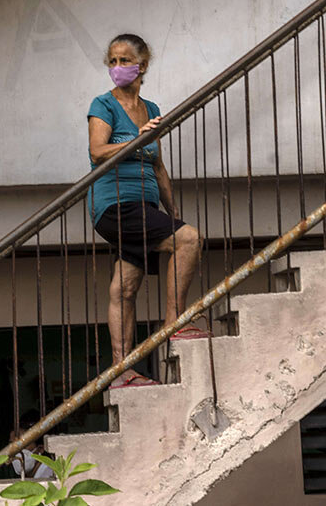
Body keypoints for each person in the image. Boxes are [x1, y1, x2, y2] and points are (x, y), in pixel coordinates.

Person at [86, 33, 205, 389]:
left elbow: (157, 165)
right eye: (112, 61)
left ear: (143, 65)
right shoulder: (103, 105)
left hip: (144, 204)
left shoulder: (151, 109)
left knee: (125, 286)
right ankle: (175, 324)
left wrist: (170, 207)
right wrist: (137, 137)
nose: (118, 67)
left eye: (125, 60)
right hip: (116, 204)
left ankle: (122, 372)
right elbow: (97, 151)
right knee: (188, 239)